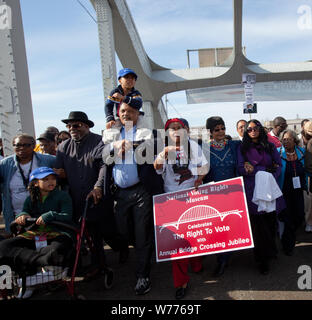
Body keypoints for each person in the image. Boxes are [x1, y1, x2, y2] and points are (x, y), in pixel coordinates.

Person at [102, 96, 163, 295]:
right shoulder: (112, 134)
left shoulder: (148, 133)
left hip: (141, 192)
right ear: (117, 114)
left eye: (130, 111)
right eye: (122, 111)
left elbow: (158, 150)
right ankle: (143, 250)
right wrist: (114, 147)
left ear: (137, 114)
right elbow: (100, 156)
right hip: (119, 193)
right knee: (123, 231)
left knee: (141, 233)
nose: (126, 114)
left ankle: (142, 276)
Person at [54, 111, 114, 283]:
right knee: (79, 234)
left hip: (96, 197)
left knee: (101, 232)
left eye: (77, 125)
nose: (73, 128)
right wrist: (58, 175)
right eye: (70, 126)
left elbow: (103, 166)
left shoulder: (99, 141)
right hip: (75, 199)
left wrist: (97, 187)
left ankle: (103, 263)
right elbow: (59, 172)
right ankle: (84, 265)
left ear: (87, 126)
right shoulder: (63, 147)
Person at [154, 118, 208, 299]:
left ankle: (197, 262)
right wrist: (163, 154)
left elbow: (204, 167)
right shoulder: (164, 148)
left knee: (194, 234)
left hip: (191, 197)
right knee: (176, 243)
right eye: (172, 128)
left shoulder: (194, 146)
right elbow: (156, 167)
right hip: (171, 199)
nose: (176, 131)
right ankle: (181, 282)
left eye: (180, 128)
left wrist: (200, 178)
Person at [0, 167, 74, 299]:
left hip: (56, 233)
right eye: (45, 179)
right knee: (4, 246)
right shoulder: (30, 199)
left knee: (58, 249)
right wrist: (22, 215)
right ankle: (36, 267)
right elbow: (25, 211)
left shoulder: (63, 196)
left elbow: (67, 216)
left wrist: (51, 215)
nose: (51, 181)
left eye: (53, 178)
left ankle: (33, 267)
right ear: (35, 183)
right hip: (35, 235)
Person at [237, 119, 285, 275]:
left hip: (269, 188)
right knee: (258, 227)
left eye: (255, 128)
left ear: (260, 129)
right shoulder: (242, 148)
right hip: (253, 191)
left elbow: (278, 166)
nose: (252, 131)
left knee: (271, 223)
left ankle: (271, 251)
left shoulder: (270, 146)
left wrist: (267, 173)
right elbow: (240, 168)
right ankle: (262, 260)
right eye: (249, 129)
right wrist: (249, 169)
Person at [203, 116, 240, 277]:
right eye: (217, 129)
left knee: (231, 225)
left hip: (233, 192)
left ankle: (228, 254)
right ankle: (221, 260)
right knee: (218, 228)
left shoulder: (234, 145)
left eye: (223, 128)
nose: (221, 132)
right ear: (210, 132)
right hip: (214, 195)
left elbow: (252, 144)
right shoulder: (204, 148)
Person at [0, 134, 55, 233]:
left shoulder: (49, 160)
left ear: (34, 146)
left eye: (26, 145)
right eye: (17, 145)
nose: (21, 148)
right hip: (18, 219)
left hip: (44, 218)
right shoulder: (5, 164)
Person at [277, 130, 306, 256]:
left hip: (298, 191)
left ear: (294, 140)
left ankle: (290, 237)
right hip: (284, 191)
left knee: (299, 216)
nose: (286, 141)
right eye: (284, 139)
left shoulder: (302, 152)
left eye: (288, 139)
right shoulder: (278, 154)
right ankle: (287, 245)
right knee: (287, 218)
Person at [303, 120, 312, 232]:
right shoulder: (310, 143)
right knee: (310, 204)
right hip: (310, 177)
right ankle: (309, 223)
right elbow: (309, 164)